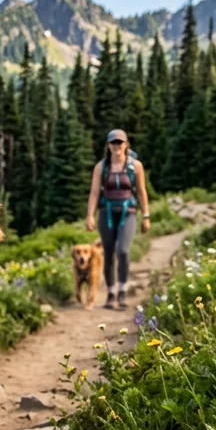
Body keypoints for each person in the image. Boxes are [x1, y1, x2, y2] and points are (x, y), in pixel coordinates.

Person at [85, 129, 150, 310]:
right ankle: (111, 293)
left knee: (123, 250)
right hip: (106, 213)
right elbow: (94, 193)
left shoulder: (135, 166)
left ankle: (122, 290)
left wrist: (146, 215)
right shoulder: (101, 167)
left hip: (127, 212)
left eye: (120, 142)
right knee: (108, 252)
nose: (116, 146)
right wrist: (90, 215)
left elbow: (141, 192)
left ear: (126, 144)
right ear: (108, 145)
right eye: (113, 142)